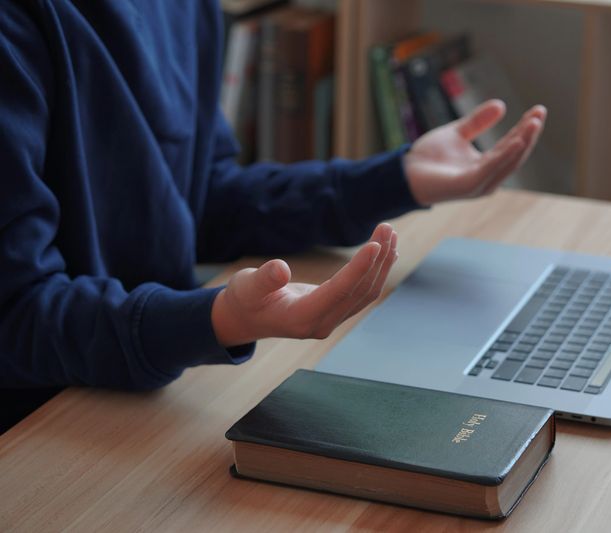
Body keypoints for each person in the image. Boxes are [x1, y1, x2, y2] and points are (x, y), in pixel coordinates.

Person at [0, 1, 546, 431]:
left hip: (145, 393)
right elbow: (15, 315)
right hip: (42, 431)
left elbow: (204, 199)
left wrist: (397, 177)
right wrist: (217, 321)